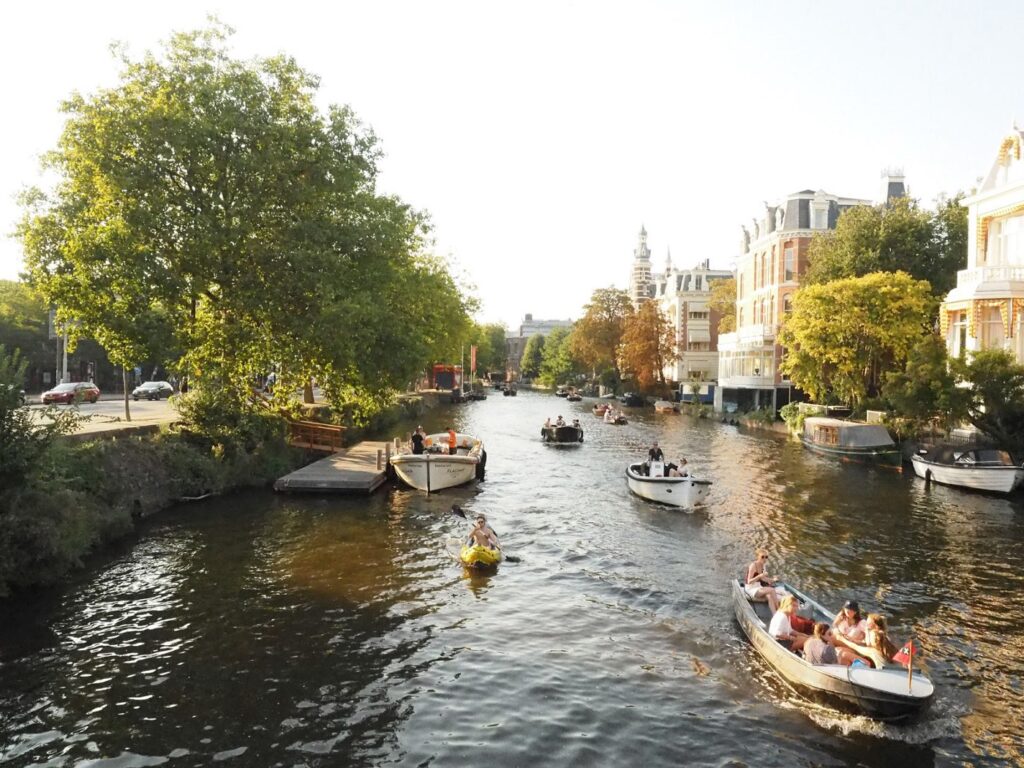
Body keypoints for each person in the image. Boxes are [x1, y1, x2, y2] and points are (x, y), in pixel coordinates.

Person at [834, 613, 900, 669]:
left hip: (882, 674)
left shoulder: (873, 651)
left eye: (869, 623)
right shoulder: (887, 645)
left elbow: (855, 647)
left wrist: (841, 639)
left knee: (844, 654)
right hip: (892, 669)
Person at [744, 549, 783, 613]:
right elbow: (749, 581)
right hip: (751, 588)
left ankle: (775, 615)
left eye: (766, 557)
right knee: (772, 590)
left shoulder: (763, 565)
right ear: (758, 557)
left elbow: (763, 579)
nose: (764, 559)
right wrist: (759, 576)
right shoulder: (753, 565)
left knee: (769, 596)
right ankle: (779, 611)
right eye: (762, 557)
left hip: (758, 587)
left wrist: (773, 580)